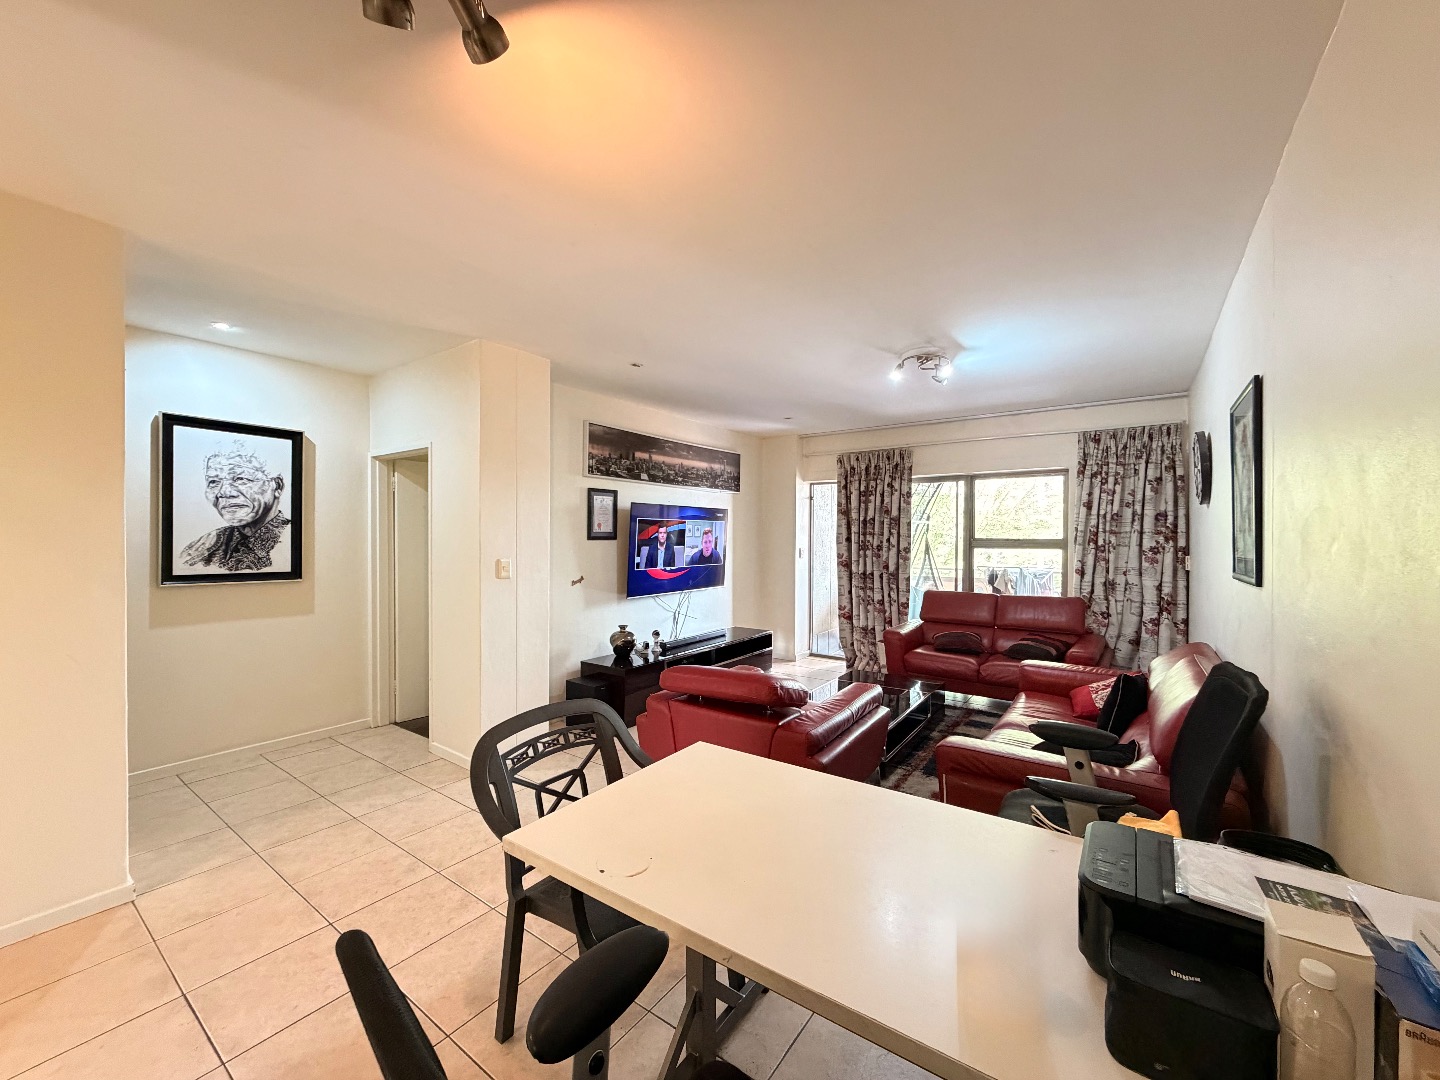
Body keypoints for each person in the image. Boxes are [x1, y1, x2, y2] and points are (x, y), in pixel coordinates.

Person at [179, 446, 290, 572]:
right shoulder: (200, 548)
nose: (224, 492)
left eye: (241, 479)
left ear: (277, 486)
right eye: (214, 481)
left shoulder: (293, 542)